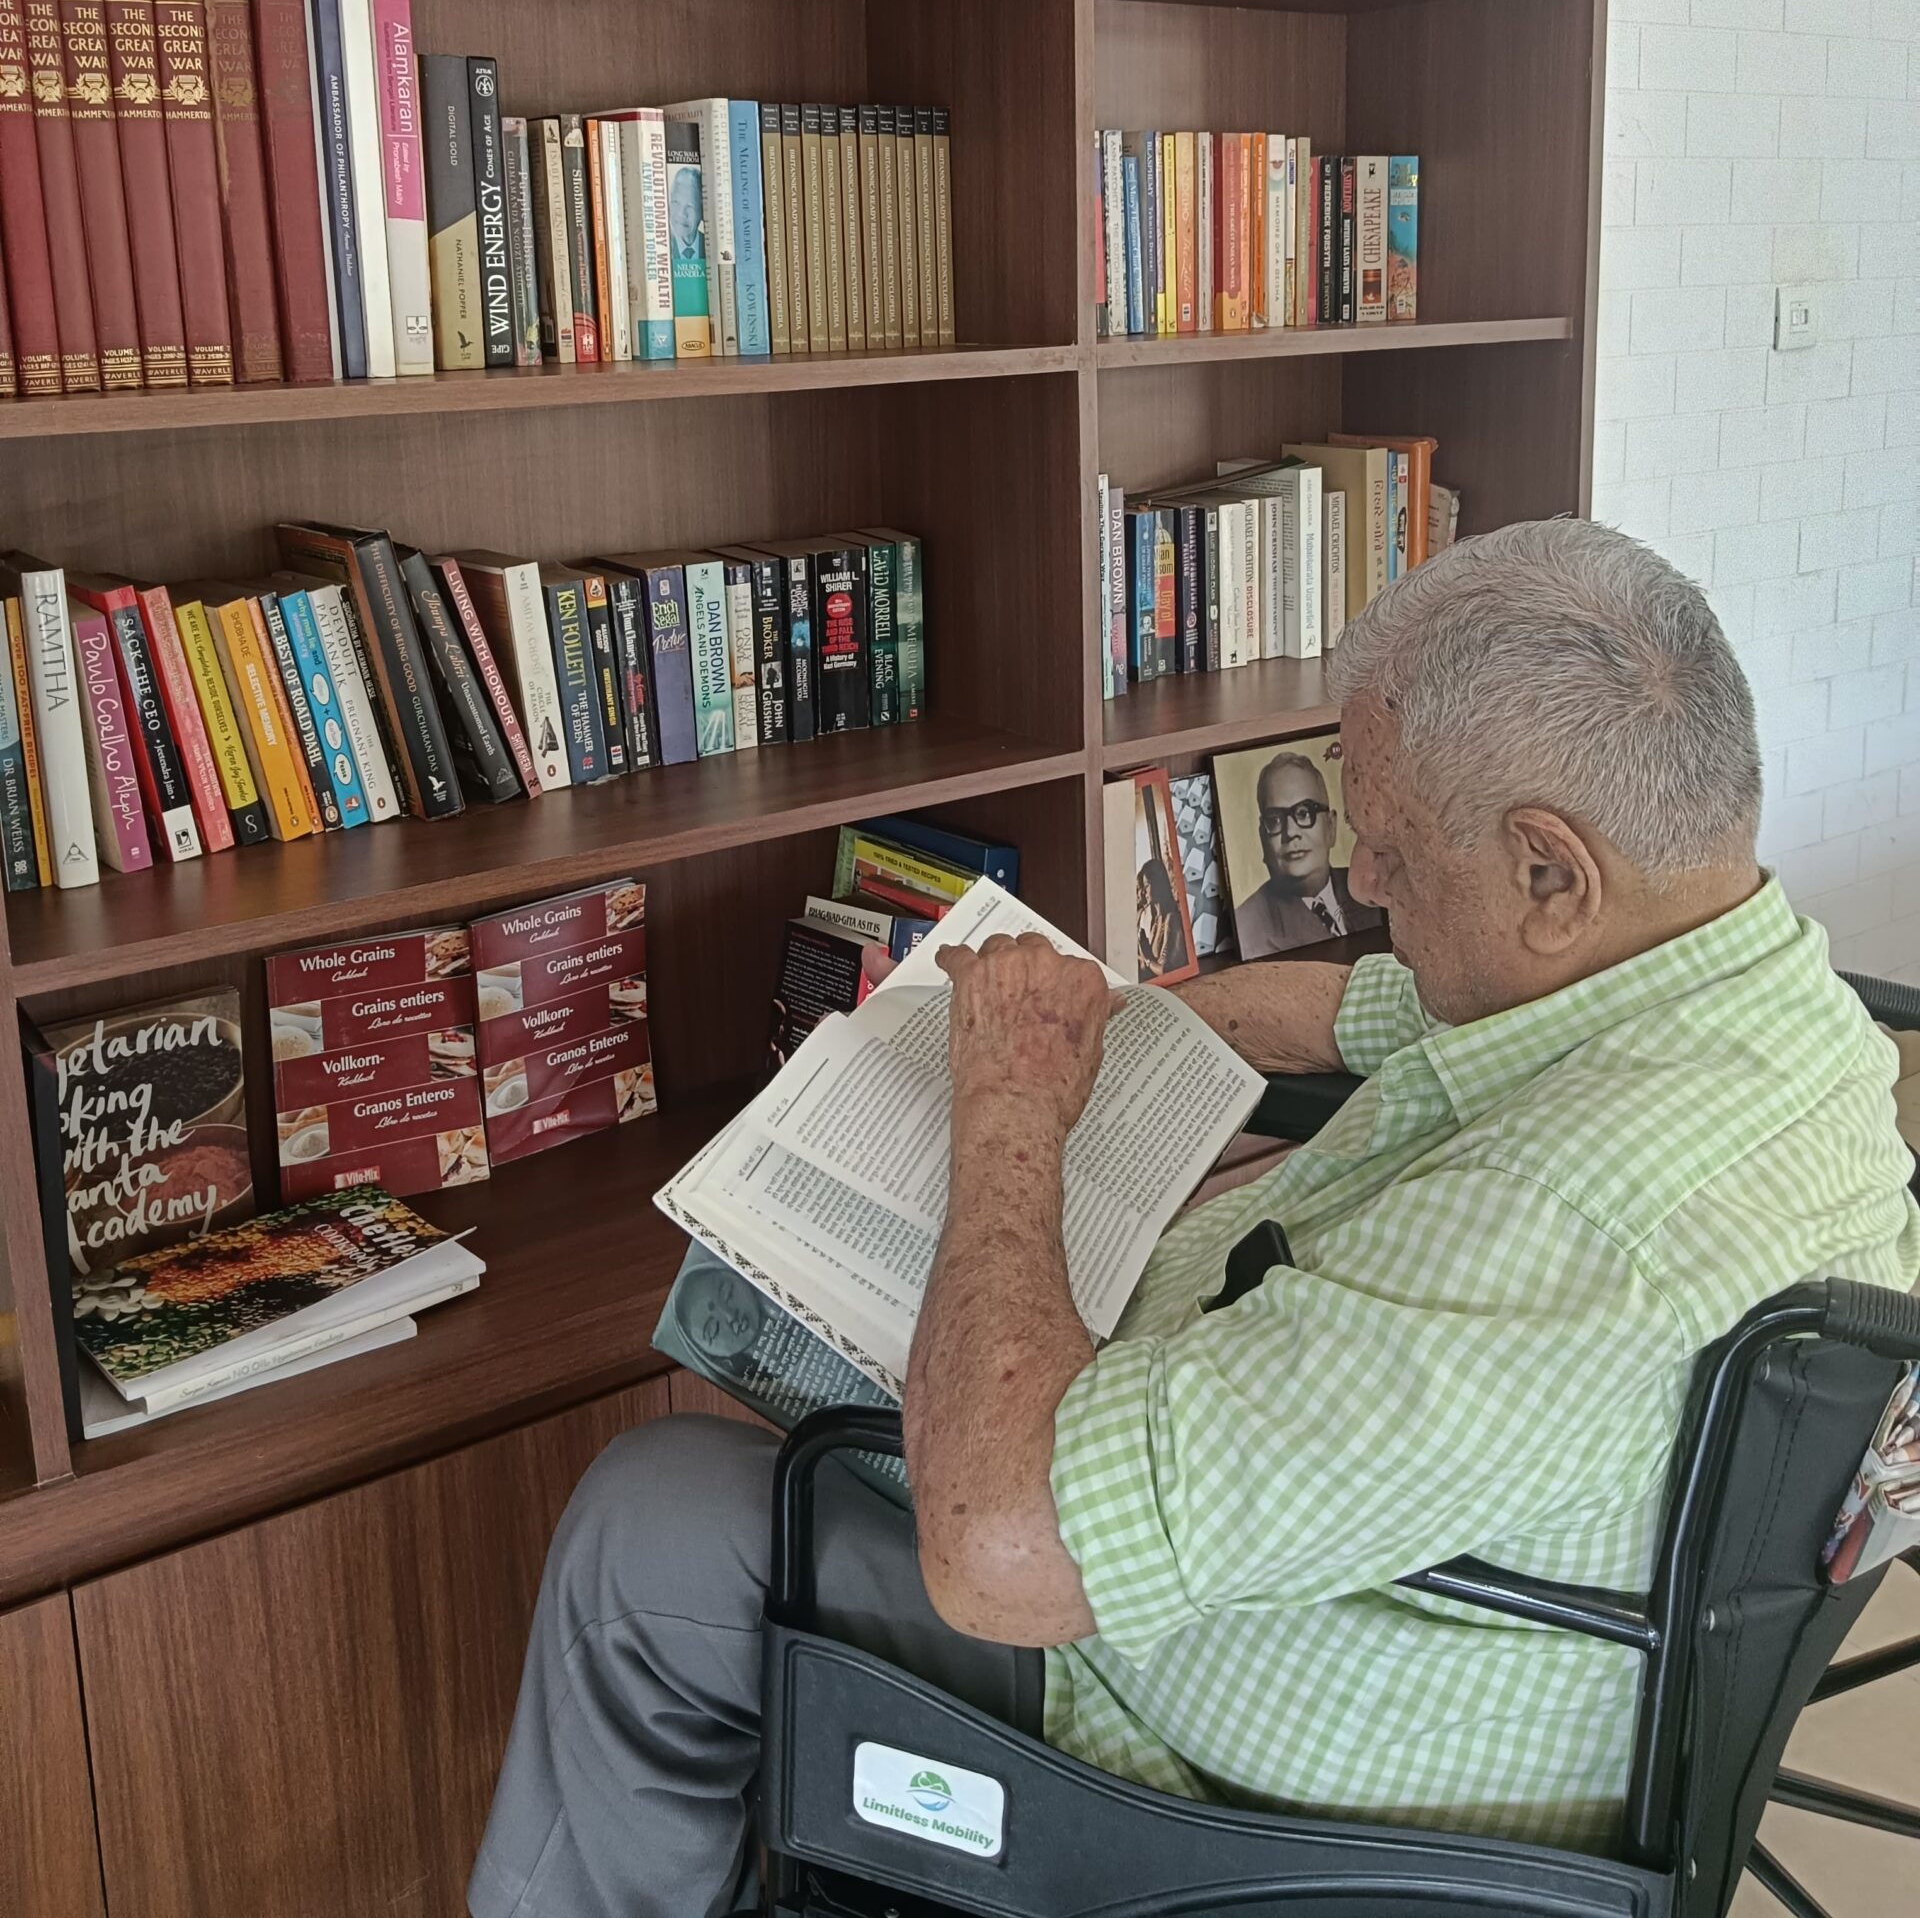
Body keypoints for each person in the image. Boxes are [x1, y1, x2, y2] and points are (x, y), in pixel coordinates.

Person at [470, 520, 1920, 1918]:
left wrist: (1011, 1117)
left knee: (647, 1526)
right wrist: (1186, 1019)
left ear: (1551, 872)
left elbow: (1000, 1553)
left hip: (1249, 1802)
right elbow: (1407, 1006)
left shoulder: (1566, 1227)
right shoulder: (1770, 1010)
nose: (1359, 883)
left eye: (1395, 855)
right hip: (1547, 1669)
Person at [1232, 747, 1382, 955]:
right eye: (1275, 820)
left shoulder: (1373, 883)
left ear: (1331, 826)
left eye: (1304, 813)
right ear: (1263, 837)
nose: (1291, 832)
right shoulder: (1249, 924)